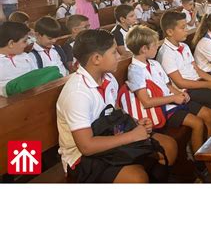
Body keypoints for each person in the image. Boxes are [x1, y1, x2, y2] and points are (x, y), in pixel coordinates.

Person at [56, 29, 177, 183]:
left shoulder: (108, 78)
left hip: (110, 134)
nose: (119, 56)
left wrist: (135, 122)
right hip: (81, 158)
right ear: (97, 58)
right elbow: (87, 146)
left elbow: (114, 111)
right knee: (136, 177)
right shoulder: (77, 93)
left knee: (169, 145)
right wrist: (132, 136)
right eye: (114, 53)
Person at [124, 25, 211, 155]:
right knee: (197, 123)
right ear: (144, 49)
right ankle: (200, 160)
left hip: (171, 101)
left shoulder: (154, 64)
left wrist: (179, 93)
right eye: (154, 45)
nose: (157, 47)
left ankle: (210, 149)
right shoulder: (135, 71)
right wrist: (173, 98)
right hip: (160, 108)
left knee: (207, 113)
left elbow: (168, 85)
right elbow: (146, 102)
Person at [157, 11, 211, 120]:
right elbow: (180, 83)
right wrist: (208, 84)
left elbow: (197, 69)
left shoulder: (184, 46)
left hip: (198, 82)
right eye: (183, 28)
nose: (186, 31)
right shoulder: (166, 53)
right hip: (186, 89)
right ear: (170, 32)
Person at [0, 21, 36, 97]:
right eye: (24, 41)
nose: (27, 44)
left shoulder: (25, 56)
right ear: (11, 44)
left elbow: (35, 75)